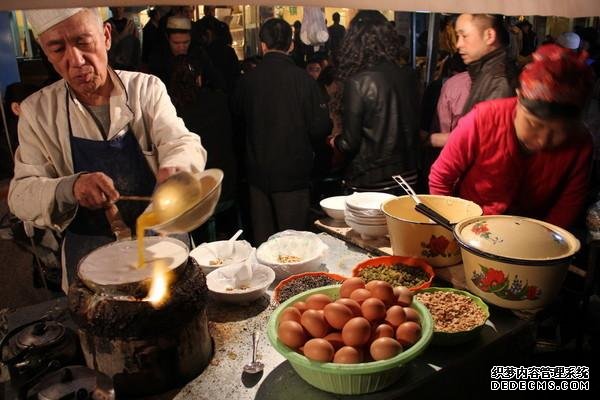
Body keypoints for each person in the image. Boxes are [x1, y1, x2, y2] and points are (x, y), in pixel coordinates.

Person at [9, 8, 207, 292]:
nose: (75, 60)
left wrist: (177, 166)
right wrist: (70, 188)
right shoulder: (37, 112)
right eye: (58, 48)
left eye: (83, 42)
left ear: (105, 36)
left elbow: (181, 141)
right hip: (88, 260)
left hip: (160, 246)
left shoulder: (145, 89)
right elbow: (20, 195)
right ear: (45, 52)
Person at [429, 44, 594, 230]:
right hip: (471, 227)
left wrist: (544, 242)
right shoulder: (482, 119)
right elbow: (441, 177)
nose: (544, 139)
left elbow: (568, 204)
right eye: (534, 124)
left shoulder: (581, 142)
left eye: (559, 131)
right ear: (518, 99)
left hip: (533, 236)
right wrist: (452, 228)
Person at [232, 18, 331, 244]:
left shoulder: (247, 81)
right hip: (293, 175)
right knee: (294, 247)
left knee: (264, 245)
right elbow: (320, 128)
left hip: (256, 175)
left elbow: (237, 126)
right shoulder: (304, 81)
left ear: (263, 46)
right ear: (292, 45)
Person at [329, 10, 421, 191]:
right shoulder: (408, 75)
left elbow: (350, 143)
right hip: (408, 175)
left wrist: (335, 141)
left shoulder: (358, 82)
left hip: (372, 179)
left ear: (354, 42)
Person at [455, 14, 517, 115]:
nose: (458, 44)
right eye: (458, 36)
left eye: (464, 36)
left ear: (489, 36)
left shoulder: (499, 81)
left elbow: (490, 130)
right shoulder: (485, 72)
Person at [148, 16, 225, 90]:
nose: (181, 47)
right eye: (176, 43)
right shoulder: (158, 57)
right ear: (167, 38)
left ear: (191, 38)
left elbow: (217, 81)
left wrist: (202, 78)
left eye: (185, 42)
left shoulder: (198, 53)